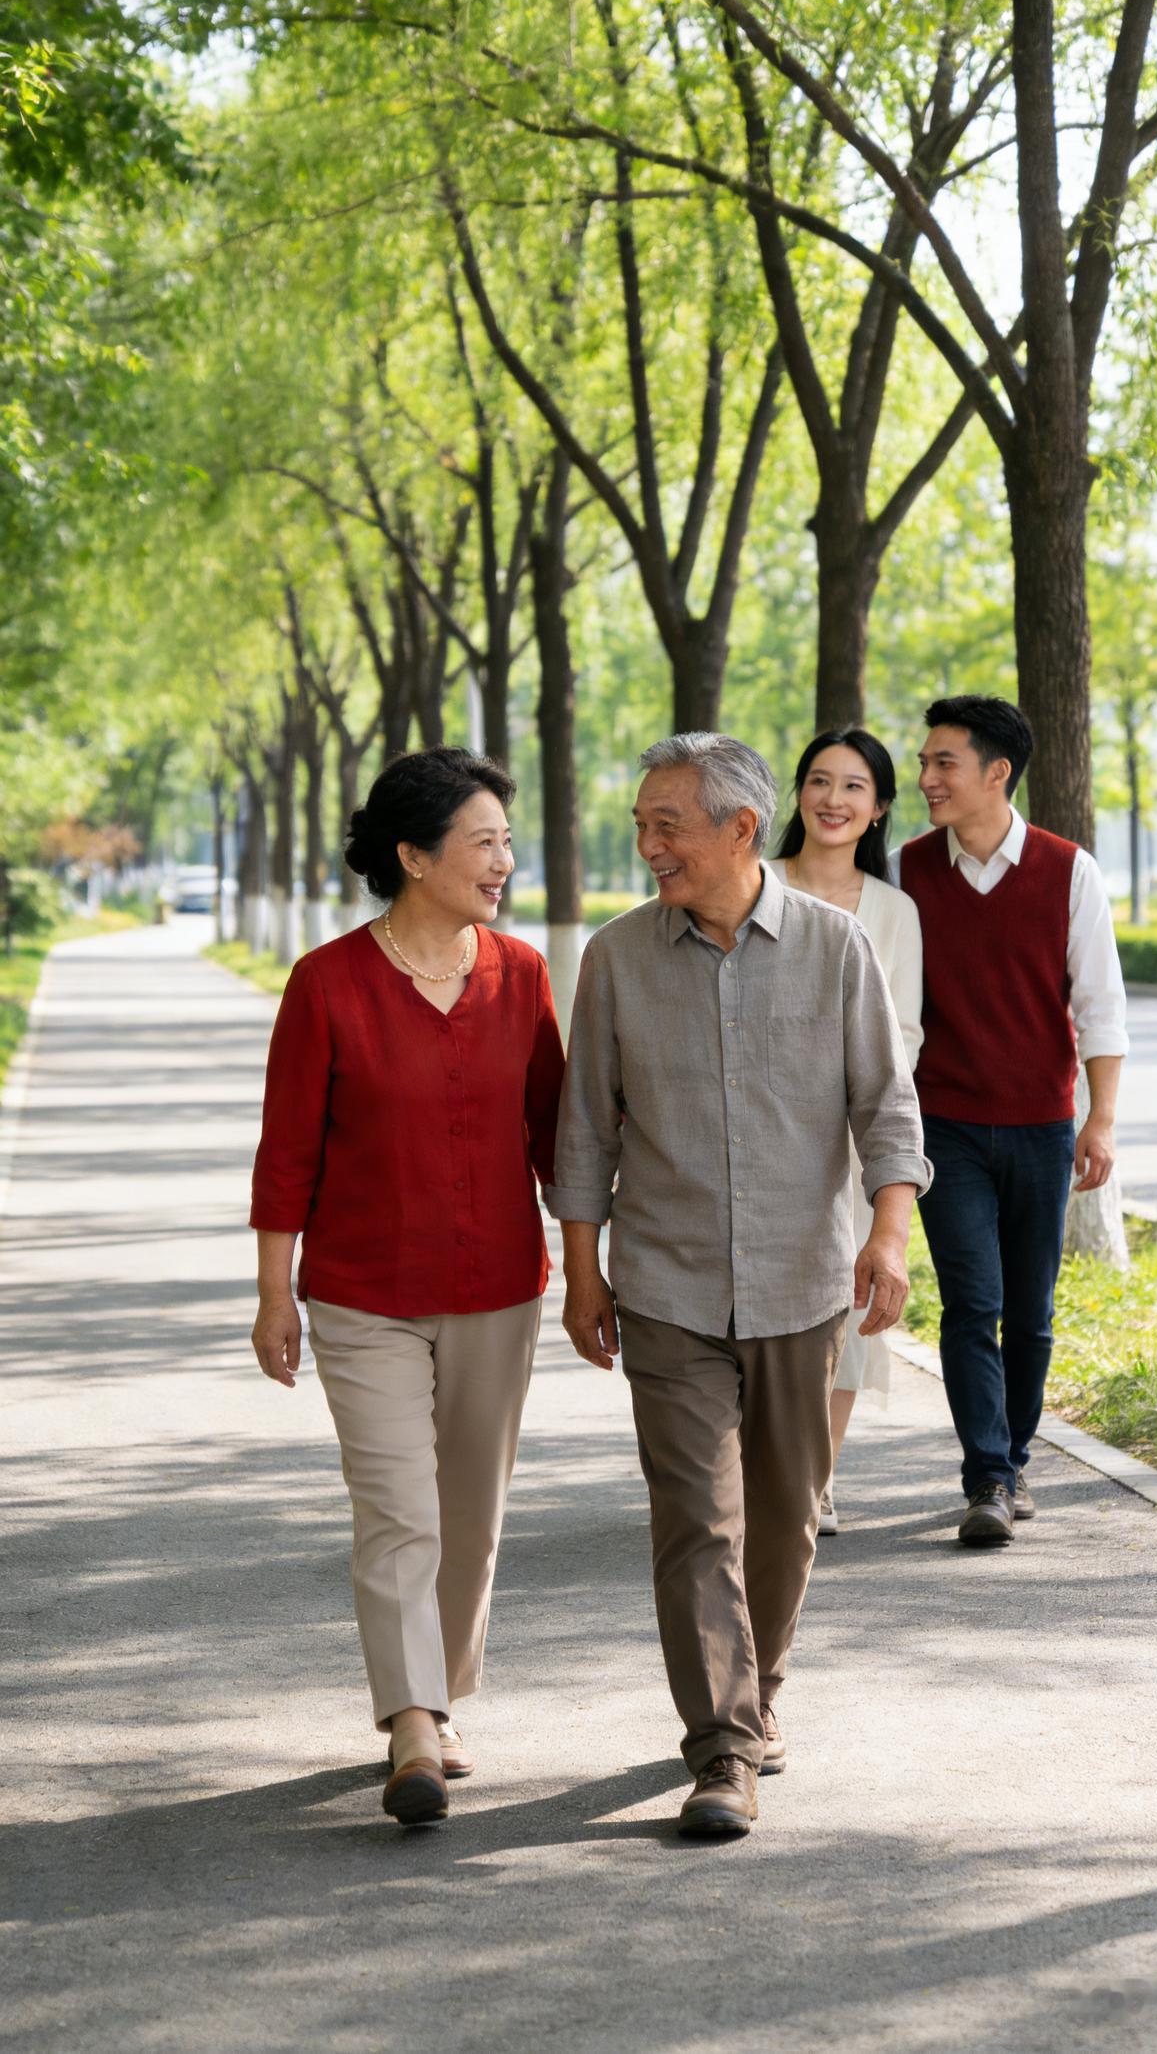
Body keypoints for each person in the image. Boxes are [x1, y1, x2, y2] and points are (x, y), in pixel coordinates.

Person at [548, 733, 929, 1841]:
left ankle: (759, 1692)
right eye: (640, 824)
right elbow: (585, 1131)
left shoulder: (835, 947)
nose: (647, 845)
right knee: (695, 1520)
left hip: (802, 1280)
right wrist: (581, 1272)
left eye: (666, 824)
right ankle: (720, 1744)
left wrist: (888, 1235)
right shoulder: (616, 957)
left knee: (785, 1517)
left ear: (740, 829)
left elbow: (885, 1108)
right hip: (665, 1284)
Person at [249, 748, 564, 1825]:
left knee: (470, 1512)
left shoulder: (522, 974)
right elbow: (287, 1150)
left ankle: (443, 1691)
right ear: (414, 856)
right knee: (397, 1506)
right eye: (484, 843)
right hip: (363, 1291)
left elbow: (557, 1136)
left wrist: (589, 1268)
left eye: (507, 842)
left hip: (498, 1287)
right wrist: (275, 1292)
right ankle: (412, 1724)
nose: (504, 862)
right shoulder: (326, 981)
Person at [894, 696, 1128, 1547]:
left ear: (997, 772)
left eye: (943, 763)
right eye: (925, 762)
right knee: (971, 1301)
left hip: (1040, 1125)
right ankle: (988, 1476)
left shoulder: (1069, 871)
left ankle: (1015, 1457)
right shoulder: (906, 870)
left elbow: (1100, 1005)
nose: (926, 778)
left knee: (1030, 1313)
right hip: (944, 1124)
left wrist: (1101, 1120)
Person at [766, 726, 923, 1533]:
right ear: (798, 794)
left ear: (880, 807)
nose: (833, 799)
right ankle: (756, 1473)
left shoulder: (895, 911)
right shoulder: (755, 882)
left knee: (845, 1305)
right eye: (819, 781)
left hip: (854, 1144)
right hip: (758, 1132)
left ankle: (815, 1481)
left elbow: (906, 1035)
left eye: (854, 786)